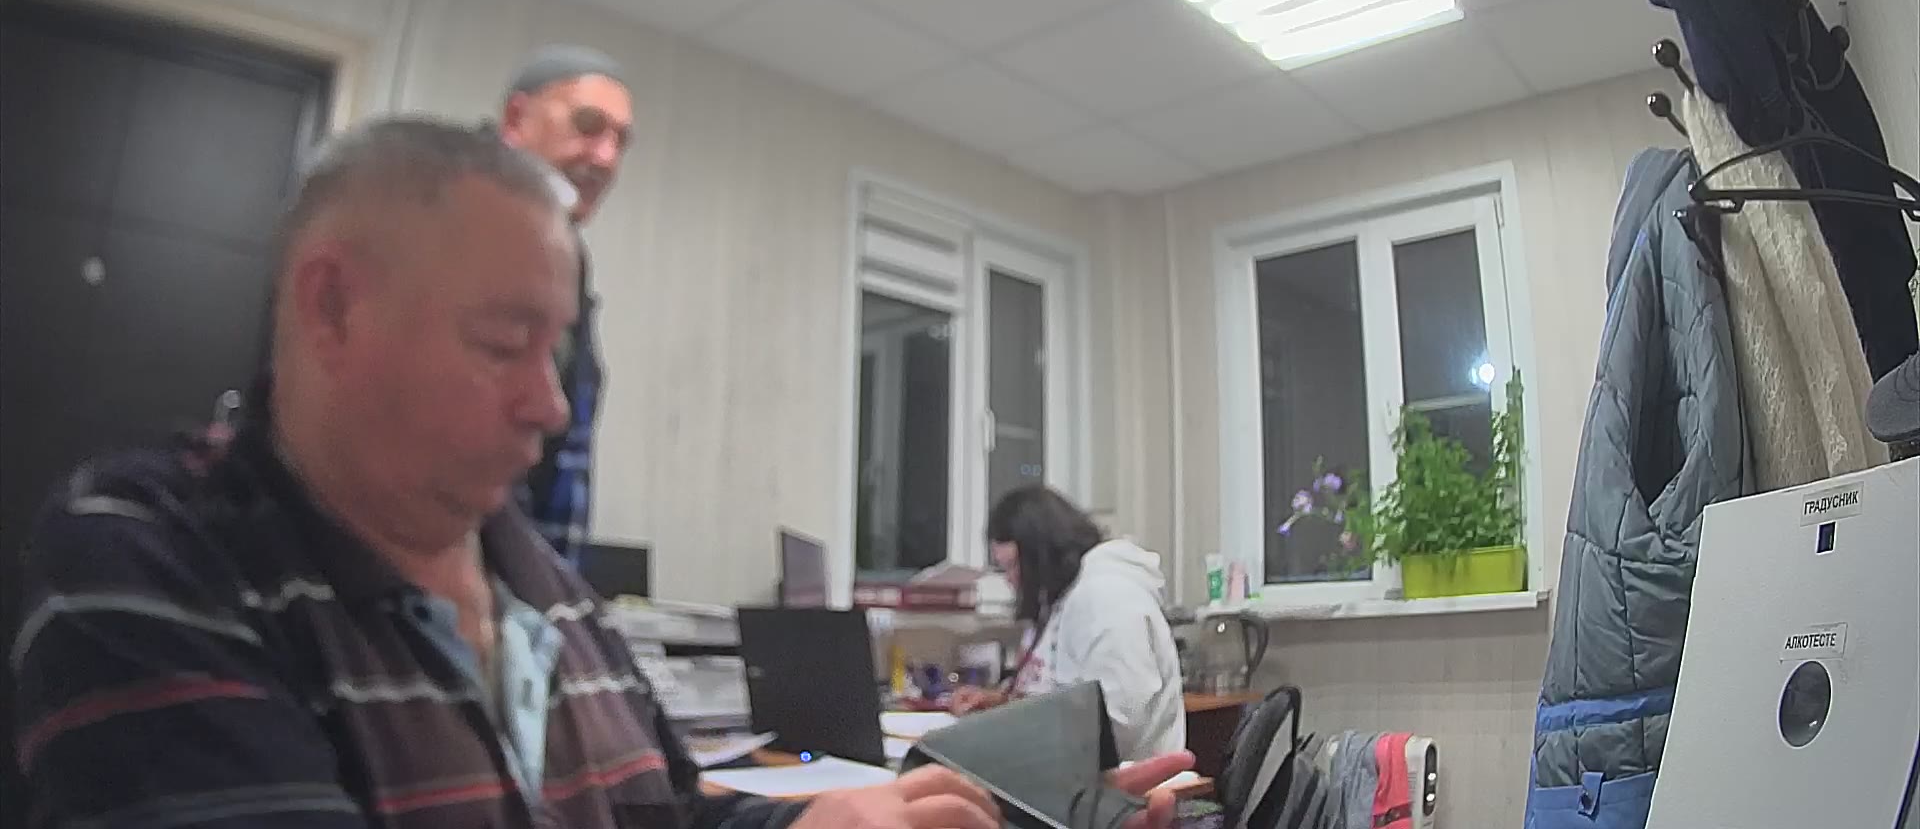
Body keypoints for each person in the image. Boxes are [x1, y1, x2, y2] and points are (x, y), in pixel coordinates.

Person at [10, 118, 1191, 828]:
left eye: (560, 351)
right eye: (502, 343)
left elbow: (660, 813)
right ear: (333, 308)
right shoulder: (147, 559)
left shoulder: (537, 576)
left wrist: (823, 820)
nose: (553, 404)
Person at [495, 44, 634, 566]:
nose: (607, 159)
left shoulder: (566, 256)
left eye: (620, 142)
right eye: (588, 126)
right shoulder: (455, 223)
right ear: (516, 120)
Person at [951, 486, 1187, 762]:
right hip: (1077, 771)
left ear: (1043, 552)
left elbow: (1117, 725)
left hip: (1128, 781)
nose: (1010, 580)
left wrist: (1010, 734)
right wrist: (1000, 703)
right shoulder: (1059, 598)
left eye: (1014, 566)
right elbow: (1057, 694)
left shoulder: (1106, 596)